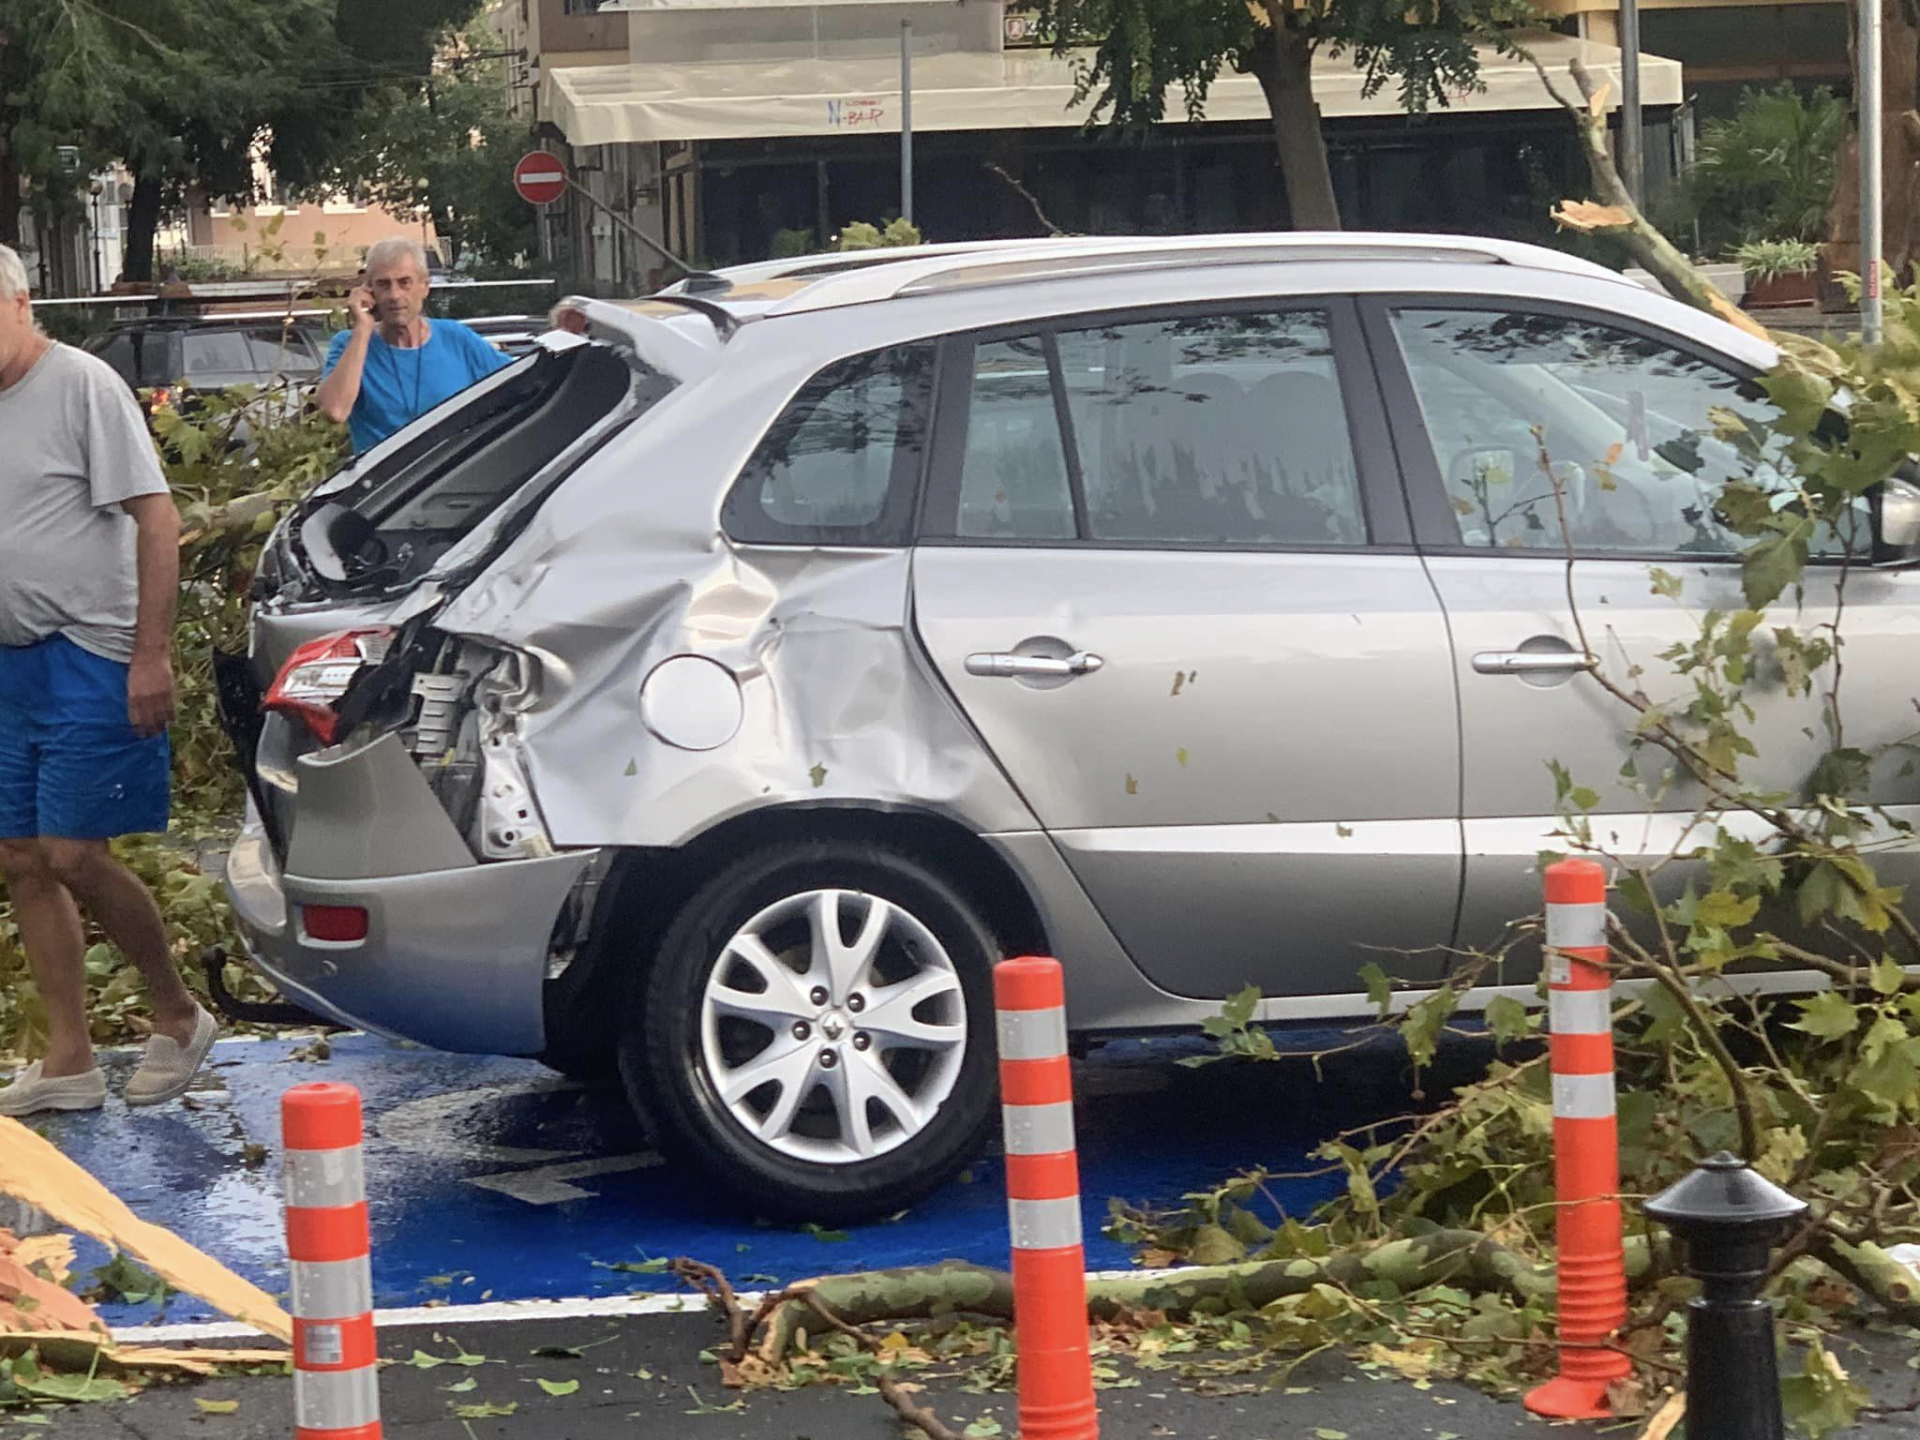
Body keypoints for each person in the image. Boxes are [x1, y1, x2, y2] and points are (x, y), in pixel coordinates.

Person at [0, 242, 218, 1117]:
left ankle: (175, 1013)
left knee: (73, 851)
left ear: (19, 305)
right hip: (9, 662)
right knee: (18, 857)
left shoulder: (82, 384)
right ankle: (70, 1059)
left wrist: (150, 654)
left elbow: (157, 519)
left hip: (89, 649)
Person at [317, 237, 511, 452]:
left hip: (451, 476)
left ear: (424, 287)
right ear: (369, 291)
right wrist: (362, 328)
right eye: (383, 284)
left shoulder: (456, 338)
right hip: (386, 482)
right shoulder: (349, 345)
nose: (394, 295)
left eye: (404, 282)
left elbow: (521, 382)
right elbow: (335, 411)